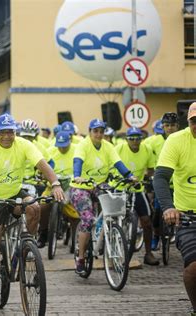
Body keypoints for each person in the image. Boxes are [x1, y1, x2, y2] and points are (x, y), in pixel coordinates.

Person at [0, 113, 64, 305]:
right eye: (2, 132)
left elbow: (43, 165)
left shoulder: (24, 144)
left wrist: (55, 183)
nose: (7, 136)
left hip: (14, 192)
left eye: (11, 132)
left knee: (33, 207)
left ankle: (27, 246)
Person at [71, 119, 137, 275]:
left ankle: (108, 231)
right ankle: (80, 258)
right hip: (81, 187)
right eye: (96, 131)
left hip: (99, 185)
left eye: (101, 131)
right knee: (87, 219)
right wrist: (77, 176)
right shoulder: (83, 145)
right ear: (90, 132)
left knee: (115, 203)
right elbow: (77, 161)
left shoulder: (108, 146)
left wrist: (130, 176)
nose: (99, 134)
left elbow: (118, 163)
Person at [154, 102, 196, 314]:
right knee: (193, 267)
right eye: (194, 121)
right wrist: (169, 207)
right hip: (187, 216)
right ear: (187, 122)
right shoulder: (176, 141)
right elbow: (160, 177)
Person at [114, 126, 159, 265]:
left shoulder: (146, 149)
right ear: (126, 139)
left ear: (141, 139)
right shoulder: (119, 148)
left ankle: (148, 253)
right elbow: (111, 164)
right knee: (114, 219)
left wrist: (147, 177)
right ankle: (112, 249)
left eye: (137, 138)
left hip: (137, 189)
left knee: (146, 220)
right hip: (119, 187)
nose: (135, 141)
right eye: (131, 138)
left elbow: (151, 169)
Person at [147, 112, 180, 250]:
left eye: (172, 125)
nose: (170, 128)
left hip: (178, 184)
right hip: (161, 182)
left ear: (177, 126)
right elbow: (143, 153)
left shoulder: (182, 138)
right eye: (167, 125)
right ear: (162, 126)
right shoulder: (153, 141)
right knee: (156, 213)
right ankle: (156, 235)